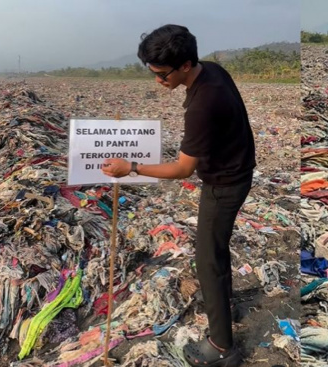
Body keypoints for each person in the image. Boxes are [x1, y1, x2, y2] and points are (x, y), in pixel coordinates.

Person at [101, 24, 255, 367]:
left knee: (208, 260)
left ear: (185, 65)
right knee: (215, 250)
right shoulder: (211, 71)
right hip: (236, 170)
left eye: (161, 74)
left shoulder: (203, 103)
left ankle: (221, 347)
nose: (158, 81)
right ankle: (224, 305)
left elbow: (183, 169)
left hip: (225, 183)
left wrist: (133, 168)